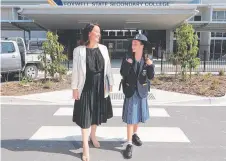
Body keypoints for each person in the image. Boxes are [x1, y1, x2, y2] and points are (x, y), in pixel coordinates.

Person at [71, 23, 114, 161]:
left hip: (100, 86)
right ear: (89, 33)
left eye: (100, 32)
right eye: (97, 32)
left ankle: (93, 135)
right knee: (85, 116)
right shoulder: (79, 50)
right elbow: (76, 71)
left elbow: (108, 68)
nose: (99, 34)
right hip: (85, 87)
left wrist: (110, 83)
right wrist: (74, 88)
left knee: (96, 114)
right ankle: (85, 147)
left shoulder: (104, 49)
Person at [120, 33, 155, 159]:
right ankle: (129, 144)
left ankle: (135, 135)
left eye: (136, 43)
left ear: (142, 45)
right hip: (130, 91)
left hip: (142, 91)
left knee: (138, 116)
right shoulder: (128, 57)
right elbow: (122, 73)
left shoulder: (147, 59)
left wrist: (150, 65)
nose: (133, 45)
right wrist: (128, 64)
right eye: (133, 43)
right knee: (130, 118)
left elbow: (151, 76)